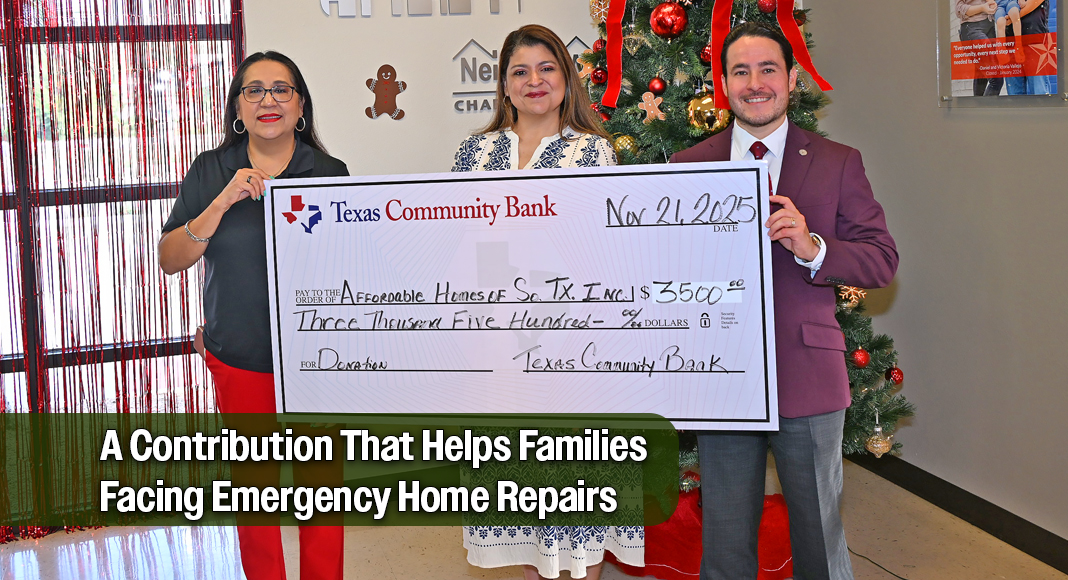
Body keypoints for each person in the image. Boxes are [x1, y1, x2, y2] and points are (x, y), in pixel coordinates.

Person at [670, 22, 898, 580]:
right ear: (723, 86)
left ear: (792, 79)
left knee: (819, 535)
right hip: (722, 379)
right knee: (724, 540)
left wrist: (812, 245)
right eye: (740, 72)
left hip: (809, 373)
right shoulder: (685, 167)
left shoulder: (838, 160)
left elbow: (880, 260)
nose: (755, 83)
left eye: (768, 69)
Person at [452, 25, 640, 580]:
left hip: (570, 349)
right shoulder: (474, 152)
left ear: (566, 77)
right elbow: (457, 241)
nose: (535, 81)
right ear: (503, 86)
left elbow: (602, 250)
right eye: (519, 71)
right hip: (497, 349)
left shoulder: (593, 152)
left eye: (547, 68)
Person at [158, 51, 349, 580]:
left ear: (301, 104)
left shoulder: (330, 172)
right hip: (239, 357)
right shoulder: (210, 168)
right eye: (254, 90)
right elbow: (170, 259)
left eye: (281, 89)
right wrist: (220, 203)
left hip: (317, 362)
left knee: (322, 498)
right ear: (237, 107)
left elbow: (352, 263)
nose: (269, 100)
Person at [955, 0, 1005, 95]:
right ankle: (985, 110)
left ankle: (977, 108)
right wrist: (982, 8)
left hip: (989, 26)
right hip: (972, 28)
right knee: (996, 79)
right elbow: (959, 9)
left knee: (981, 76)